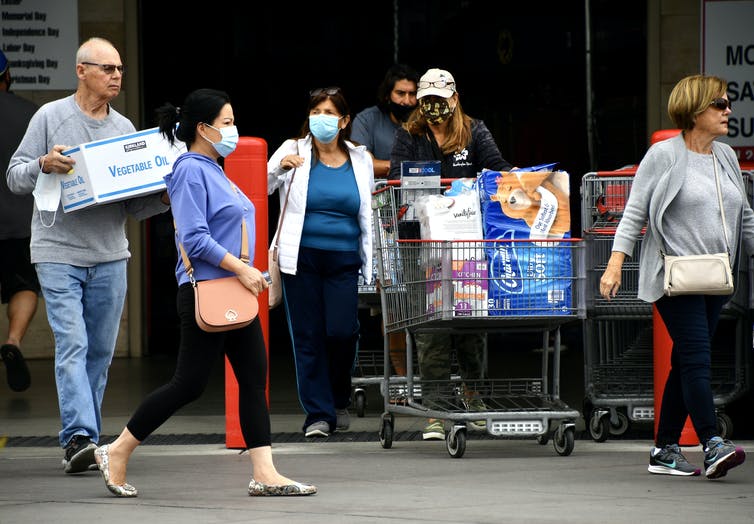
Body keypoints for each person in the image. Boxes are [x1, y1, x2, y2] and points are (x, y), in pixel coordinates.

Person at [92, 88, 316, 498]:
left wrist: (245, 273)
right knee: (188, 384)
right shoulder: (190, 170)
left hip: (232, 288)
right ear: (203, 128)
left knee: (252, 378)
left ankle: (265, 472)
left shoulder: (214, 169)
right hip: (209, 290)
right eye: (227, 123)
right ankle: (117, 449)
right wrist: (243, 269)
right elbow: (194, 238)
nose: (233, 130)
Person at [6, 37, 170, 474]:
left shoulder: (125, 130)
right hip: (57, 249)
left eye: (120, 69)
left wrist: (165, 198)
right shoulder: (50, 116)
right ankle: (77, 436)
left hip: (110, 253)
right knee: (73, 344)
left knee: (99, 351)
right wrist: (43, 163)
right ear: (81, 71)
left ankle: (89, 442)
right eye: (108, 69)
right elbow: (14, 177)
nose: (117, 76)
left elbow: (134, 206)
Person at [600, 74, 749, 479]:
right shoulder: (664, 155)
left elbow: (745, 217)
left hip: (715, 276)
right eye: (719, 104)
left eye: (727, 104)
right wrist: (616, 264)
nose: (728, 111)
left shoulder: (727, 157)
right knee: (698, 360)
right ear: (695, 109)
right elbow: (634, 212)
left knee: (685, 362)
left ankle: (663, 450)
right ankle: (711, 442)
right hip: (675, 276)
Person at [388, 67, 513, 440]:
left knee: (470, 324)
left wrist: (512, 176)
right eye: (427, 103)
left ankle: (474, 400)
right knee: (431, 330)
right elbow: (396, 179)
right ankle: (437, 409)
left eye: (440, 102)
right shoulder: (409, 134)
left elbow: (497, 168)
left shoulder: (475, 130)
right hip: (422, 242)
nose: (434, 109)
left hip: (466, 240)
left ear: (454, 99)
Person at [267, 86, 374, 438]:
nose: (321, 119)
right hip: (301, 257)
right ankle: (318, 414)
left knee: (342, 332)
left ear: (343, 121)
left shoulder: (360, 158)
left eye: (329, 113)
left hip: (344, 257)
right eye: (316, 112)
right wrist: (279, 168)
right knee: (308, 336)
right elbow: (260, 185)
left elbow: (367, 214)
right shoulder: (293, 150)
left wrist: (371, 264)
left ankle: (339, 397)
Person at [0, 49, 38, 393]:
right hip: (22, 222)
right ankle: (13, 340)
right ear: (6, 76)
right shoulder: (31, 114)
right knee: (24, 285)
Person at [352, 63, 419, 178]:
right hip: (380, 193)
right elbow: (360, 163)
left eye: (412, 94)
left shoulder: (425, 121)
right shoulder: (366, 120)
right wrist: (407, 169)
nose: (407, 101)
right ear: (388, 95)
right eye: (400, 93)